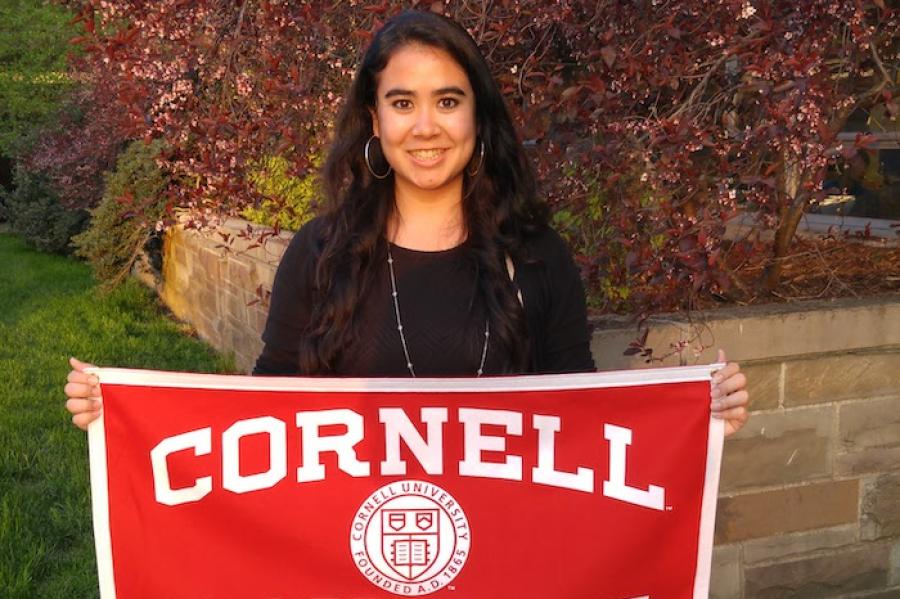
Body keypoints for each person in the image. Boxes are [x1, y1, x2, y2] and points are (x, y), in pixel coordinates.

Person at [64, 10, 749, 435]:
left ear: (477, 116)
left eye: (448, 100)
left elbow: (582, 413)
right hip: (346, 560)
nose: (426, 127)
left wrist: (694, 414)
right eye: (402, 102)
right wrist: (127, 416)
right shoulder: (320, 252)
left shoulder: (538, 257)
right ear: (375, 120)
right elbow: (267, 409)